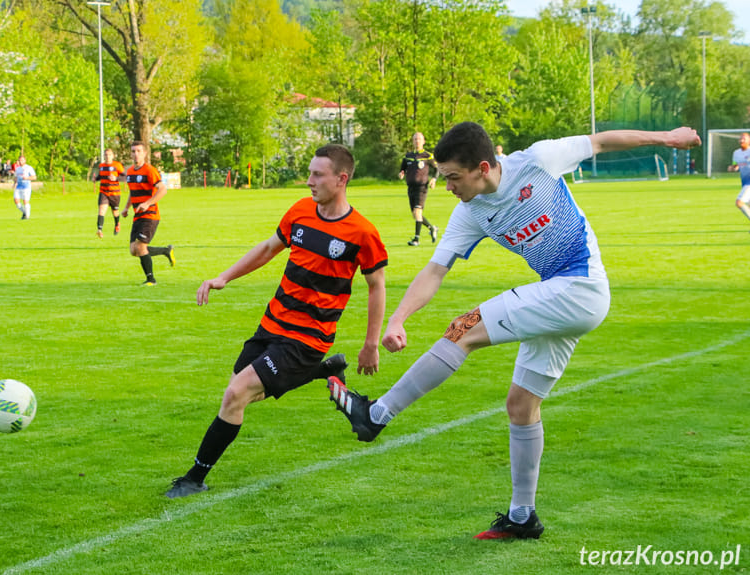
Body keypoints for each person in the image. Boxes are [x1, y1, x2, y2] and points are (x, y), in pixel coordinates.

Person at [327, 123, 701, 540]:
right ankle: (523, 516)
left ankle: (376, 415)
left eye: (452, 177)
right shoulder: (469, 212)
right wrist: (397, 319)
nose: (445, 186)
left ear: (483, 167)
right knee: (521, 406)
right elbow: (434, 271)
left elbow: (599, 141)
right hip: (558, 295)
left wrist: (667, 137)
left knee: (463, 329)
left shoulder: (537, 161)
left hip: (580, 287)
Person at [165, 144, 389, 499]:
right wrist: (224, 277)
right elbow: (269, 247)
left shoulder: (362, 233)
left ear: (341, 179)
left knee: (236, 394)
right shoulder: (300, 211)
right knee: (237, 394)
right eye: (310, 172)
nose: (309, 181)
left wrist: (371, 344)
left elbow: (377, 287)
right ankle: (321, 371)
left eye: (317, 174)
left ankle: (194, 478)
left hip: (308, 337)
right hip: (272, 323)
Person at [120, 141, 174, 286]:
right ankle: (165, 251)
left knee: (140, 247)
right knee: (134, 250)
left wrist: (148, 203)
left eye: (138, 151)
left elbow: (163, 189)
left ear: (144, 153)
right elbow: (133, 192)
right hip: (137, 215)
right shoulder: (130, 171)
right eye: (133, 151)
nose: (135, 154)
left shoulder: (150, 170)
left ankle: (151, 280)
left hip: (150, 215)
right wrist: (126, 208)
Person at [399, 132, 439, 246]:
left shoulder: (428, 156)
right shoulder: (408, 156)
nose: (417, 141)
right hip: (410, 188)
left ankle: (416, 239)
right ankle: (432, 228)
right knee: (415, 214)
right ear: (413, 141)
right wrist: (401, 173)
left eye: (419, 139)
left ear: (423, 141)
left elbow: (437, 169)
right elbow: (402, 169)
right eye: (415, 139)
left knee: (417, 212)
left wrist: (434, 179)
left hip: (422, 187)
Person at [95, 148, 125, 238]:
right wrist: (95, 179)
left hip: (115, 193)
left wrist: (116, 178)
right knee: (101, 210)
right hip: (103, 192)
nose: (107, 156)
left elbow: (125, 177)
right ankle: (99, 229)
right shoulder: (101, 165)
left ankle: (117, 224)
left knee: (115, 211)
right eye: (106, 155)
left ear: (113, 156)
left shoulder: (117, 165)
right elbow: (100, 176)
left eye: (109, 154)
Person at [728, 132, 750, 227]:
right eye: (740, 138)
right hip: (744, 182)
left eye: (744, 138)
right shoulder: (736, 153)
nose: (742, 140)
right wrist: (732, 168)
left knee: (739, 202)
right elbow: (736, 165)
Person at [13, 155, 37, 219]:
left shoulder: (29, 168)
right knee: (16, 201)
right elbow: (16, 177)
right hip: (18, 186)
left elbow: (34, 177)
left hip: (26, 187)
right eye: (19, 160)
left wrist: (27, 178)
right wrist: (14, 183)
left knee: (25, 201)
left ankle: (27, 216)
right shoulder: (18, 169)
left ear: (25, 160)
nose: (21, 162)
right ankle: (24, 212)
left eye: (22, 160)